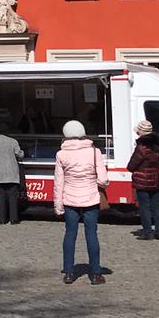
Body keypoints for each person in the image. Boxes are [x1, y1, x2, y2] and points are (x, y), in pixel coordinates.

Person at [52, 119, 108, 285]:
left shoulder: (61, 154)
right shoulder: (94, 152)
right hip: (91, 199)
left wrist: (58, 205)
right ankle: (96, 274)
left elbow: (58, 182)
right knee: (92, 235)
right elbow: (104, 180)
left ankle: (69, 273)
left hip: (70, 200)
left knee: (70, 235)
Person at [126, 120, 159, 239]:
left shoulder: (142, 147)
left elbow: (132, 165)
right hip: (156, 178)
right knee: (156, 207)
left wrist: (132, 169)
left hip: (142, 180)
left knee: (144, 207)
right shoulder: (158, 146)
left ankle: (148, 232)